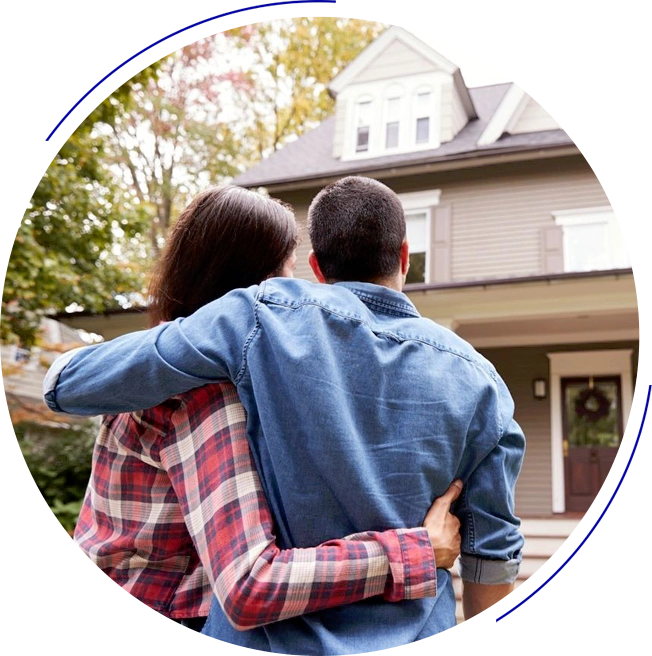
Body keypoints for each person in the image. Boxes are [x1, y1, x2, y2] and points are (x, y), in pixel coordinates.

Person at [44, 176, 525, 653]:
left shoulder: (255, 321)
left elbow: (67, 385)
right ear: (404, 257)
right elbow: (492, 558)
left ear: (316, 267)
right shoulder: (485, 385)